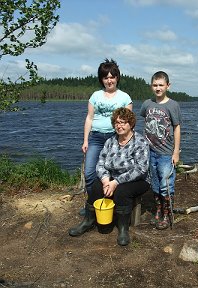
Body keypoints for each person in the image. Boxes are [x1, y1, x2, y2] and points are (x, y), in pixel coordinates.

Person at [69, 108, 150, 246]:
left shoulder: (140, 142)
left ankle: (123, 228)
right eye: (117, 123)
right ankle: (88, 221)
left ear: (131, 124)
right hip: (111, 178)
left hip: (138, 180)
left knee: (122, 191)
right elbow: (100, 163)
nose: (119, 126)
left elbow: (141, 169)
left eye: (123, 122)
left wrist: (116, 182)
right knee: (95, 186)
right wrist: (106, 179)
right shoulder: (111, 141)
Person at [79, 58, 133, 216]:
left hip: (115, 138)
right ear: (101, 79)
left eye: (112, 76)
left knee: (113, 173)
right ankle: (92, 204)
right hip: (96, 137)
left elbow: (129, 122)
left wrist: (126, 142)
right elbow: (89, 118)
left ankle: (111, 204)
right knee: (90, 173)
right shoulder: (95, 96)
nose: (109, 80)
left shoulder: (124, 97)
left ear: (117, 78)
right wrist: (85, 140)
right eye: (105, 77)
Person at [140, 71, 182, 230]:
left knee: (166, 184)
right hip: (150, 152)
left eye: (161, 85)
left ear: (167, 86)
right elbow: (145, 122)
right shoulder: (147, 104)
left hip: (166, 153)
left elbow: (177, 128)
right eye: (155, 85)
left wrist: (176, 152)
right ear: (151, 86)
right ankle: (158, 210)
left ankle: (167, 214)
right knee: (156, 185)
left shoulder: (173, 105)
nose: (158, 88)